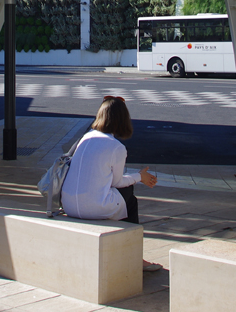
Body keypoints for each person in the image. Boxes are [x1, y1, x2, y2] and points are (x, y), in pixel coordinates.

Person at [61, 95, 161, 272]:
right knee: (129, 197)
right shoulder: (116, 147)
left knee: (122, 195)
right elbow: (118, 182)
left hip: (68, 205)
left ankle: (127, 250)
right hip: (92, 208)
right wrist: (140, 177)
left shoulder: (85, 139)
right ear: (123, 119)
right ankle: (134, 255)